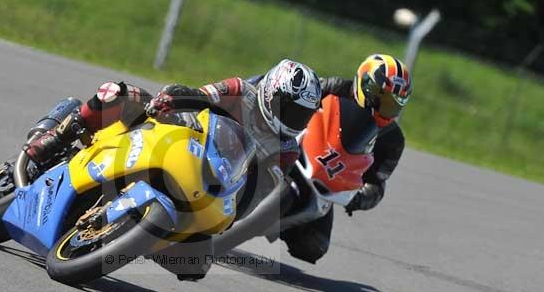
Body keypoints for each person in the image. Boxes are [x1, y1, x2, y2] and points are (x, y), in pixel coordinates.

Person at [24, 59, 323, 278]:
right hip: (177, 133)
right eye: (292, 108)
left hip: (210, 185)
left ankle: (147, 236)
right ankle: (57, 136)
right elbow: (201, 95)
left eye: (304, 115)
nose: (296, 119)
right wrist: (172, 98)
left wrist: (231, 215)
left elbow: (260, 192)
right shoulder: (240, 90)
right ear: (272, 92)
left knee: (196, 264)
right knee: (117, 92)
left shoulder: (287, 149)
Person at [276, 53, 411, 263]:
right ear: (363, 83)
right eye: (379, 96)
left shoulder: (392, 140)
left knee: (313, 246)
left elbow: (377, 183)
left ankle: (277, 225)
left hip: (326, 182)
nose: (381, 108)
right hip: (293, 148)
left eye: (391, 104)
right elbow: (289, 97)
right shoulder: (333, 87)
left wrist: (358, 198)